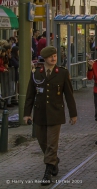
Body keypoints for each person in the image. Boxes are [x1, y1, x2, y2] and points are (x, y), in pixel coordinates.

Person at [23, 46, 77, 186]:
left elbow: (69, 95)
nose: (54, 58)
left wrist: (73, 114)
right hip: (40, 113)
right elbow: (30, 95)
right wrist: (27, 114)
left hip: (55, 113)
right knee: (43, 142)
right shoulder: (36, 73)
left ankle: (47, 171)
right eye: (51, 56)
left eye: (55, 56)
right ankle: (54, 160)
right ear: (45, 59)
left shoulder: (62, 73)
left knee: (52, 143)